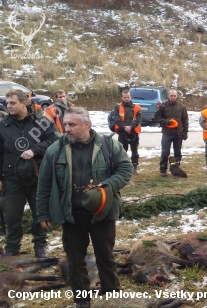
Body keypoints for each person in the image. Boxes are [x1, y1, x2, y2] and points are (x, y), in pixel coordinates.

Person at [37, 107, 133, 308]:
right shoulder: (55, 150)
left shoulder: (108, 145)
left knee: (105, 258)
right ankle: (82, 301)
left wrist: (108, 186)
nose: (67, 129)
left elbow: (126, 169)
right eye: (65, 124)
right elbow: (44, 183)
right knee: (75, 260)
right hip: (71, 215)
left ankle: (111, 297)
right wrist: (43, 213)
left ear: (86, 124)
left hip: (101, 214)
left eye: (72, 124)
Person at [0, 89, 58, 257]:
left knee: (40, 212)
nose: (8, 106)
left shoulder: (42, 122)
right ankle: (12, 248)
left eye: (12, 103)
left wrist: (35, 150)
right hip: (11, 178)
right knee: (11, 215)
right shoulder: (2, 127)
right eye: (7, 103)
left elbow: (54, 140)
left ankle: (40, 246)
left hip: (37, 175)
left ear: (24, 103)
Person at [154, 89, 189, 177]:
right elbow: (157, 117)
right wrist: (165, 121)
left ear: (176, 96)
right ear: (168, 96)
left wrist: (185, 132)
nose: (173, 97)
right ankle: (163, 170)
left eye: (174, 96)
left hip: (178, 133)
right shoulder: (163, 106)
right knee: (165, 152)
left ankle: (176, 169)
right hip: (167, 133)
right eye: (171, 96)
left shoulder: (182, 106)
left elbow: (185, 120)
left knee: (178, 153)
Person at [113, 89, 141, 174]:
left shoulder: (137, 107)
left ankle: (135, 167)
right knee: (122, 151)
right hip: (122, 132)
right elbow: (117, 119)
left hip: (134, 133)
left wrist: (131, 127)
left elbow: (138, 119)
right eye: (124, 97)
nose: (126, 99)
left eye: (128, 97)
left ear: (130, 97)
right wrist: (125, 127)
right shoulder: (117, 107)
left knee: (134, 151)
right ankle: (122, 167)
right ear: (122, 97)